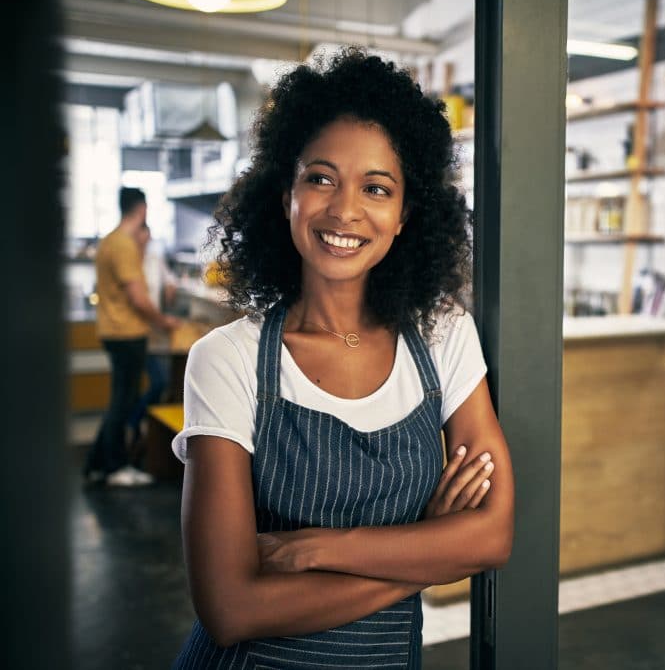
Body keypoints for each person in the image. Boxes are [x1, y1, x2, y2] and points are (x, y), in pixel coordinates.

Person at [171, 50, 514, 668]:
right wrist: (424, 552)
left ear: (406, 214)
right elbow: (229, 611)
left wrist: (317, 548)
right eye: (320, 178)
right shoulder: (228, 360)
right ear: (286, 196)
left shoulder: (443, 335)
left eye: (376, 188)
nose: (345, 210)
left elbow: (491, 535)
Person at [85, 187, 180, 487]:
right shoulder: (124, 245)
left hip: (114, 331)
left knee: (119, 400)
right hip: (127, 333)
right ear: (142, 210)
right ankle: (115, 467)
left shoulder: (110, 241)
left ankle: (96, 464)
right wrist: (163, 321)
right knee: (122, 403)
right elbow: (138, 298)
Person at [126, 223, 176, 448]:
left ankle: (137, 427)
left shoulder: (154, 258)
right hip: (134, 331)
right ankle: (133, 423)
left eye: (146, 236)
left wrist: (169, 288)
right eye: (140, 236)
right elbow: (137, 301)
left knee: (158, 382)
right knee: (157, 381)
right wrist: (162, 320)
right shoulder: (129, 261)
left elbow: (170, 280)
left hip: (152, 332)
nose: (143, 241)